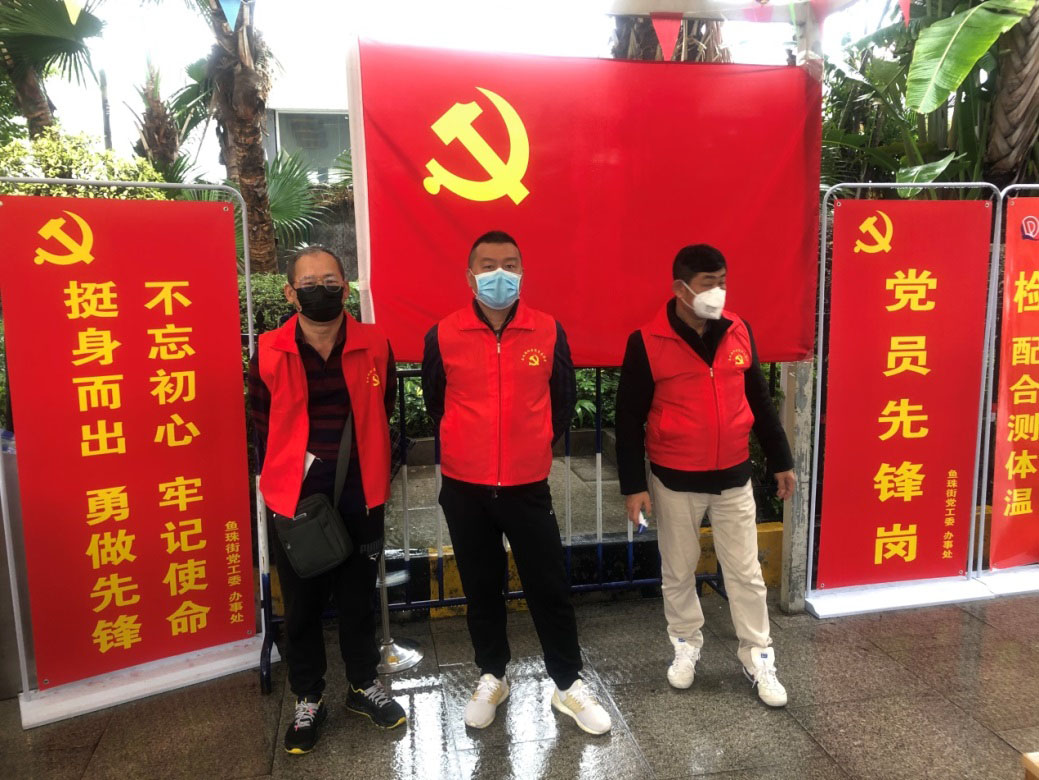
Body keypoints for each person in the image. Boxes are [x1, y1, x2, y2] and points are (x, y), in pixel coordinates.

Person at [421, 230, 612, 735]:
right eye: (487, 265)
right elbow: (436, 401)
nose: (498, 274)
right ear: (470, 276)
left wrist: (532, 443)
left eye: (509, 264)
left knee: (548, 585)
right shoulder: (443, 333)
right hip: (465, 487)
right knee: (481, 586)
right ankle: (492, 675)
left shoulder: (547, 330)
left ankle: (567, 683)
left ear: (523, 272)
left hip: (527, 486)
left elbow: (562, 400)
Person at [615, 243, 796, 708]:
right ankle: (685, 645)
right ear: (681, 289)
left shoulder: (739, 330)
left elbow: (759, 399)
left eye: (723, 282)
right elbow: (628, 418)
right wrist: (634, 487)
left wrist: (781, 460)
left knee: (746, 573)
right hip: (675, 479)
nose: (718, 291)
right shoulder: (647, 341)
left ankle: (758, 655)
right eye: (708, 284)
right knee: (678, 571)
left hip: (733, 475)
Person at [248, 246, 407, 754]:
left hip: (361, 492)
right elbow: (260, 423)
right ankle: (308, 695)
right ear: (290, 293)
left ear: (346, 286)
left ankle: (362, 684)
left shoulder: (375, 343)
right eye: (309, 283)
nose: (322, 289)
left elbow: (384, 407)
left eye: (331, 281)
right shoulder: (269, 350)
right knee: (301, 605)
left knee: (358, 597)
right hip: (294, 498)